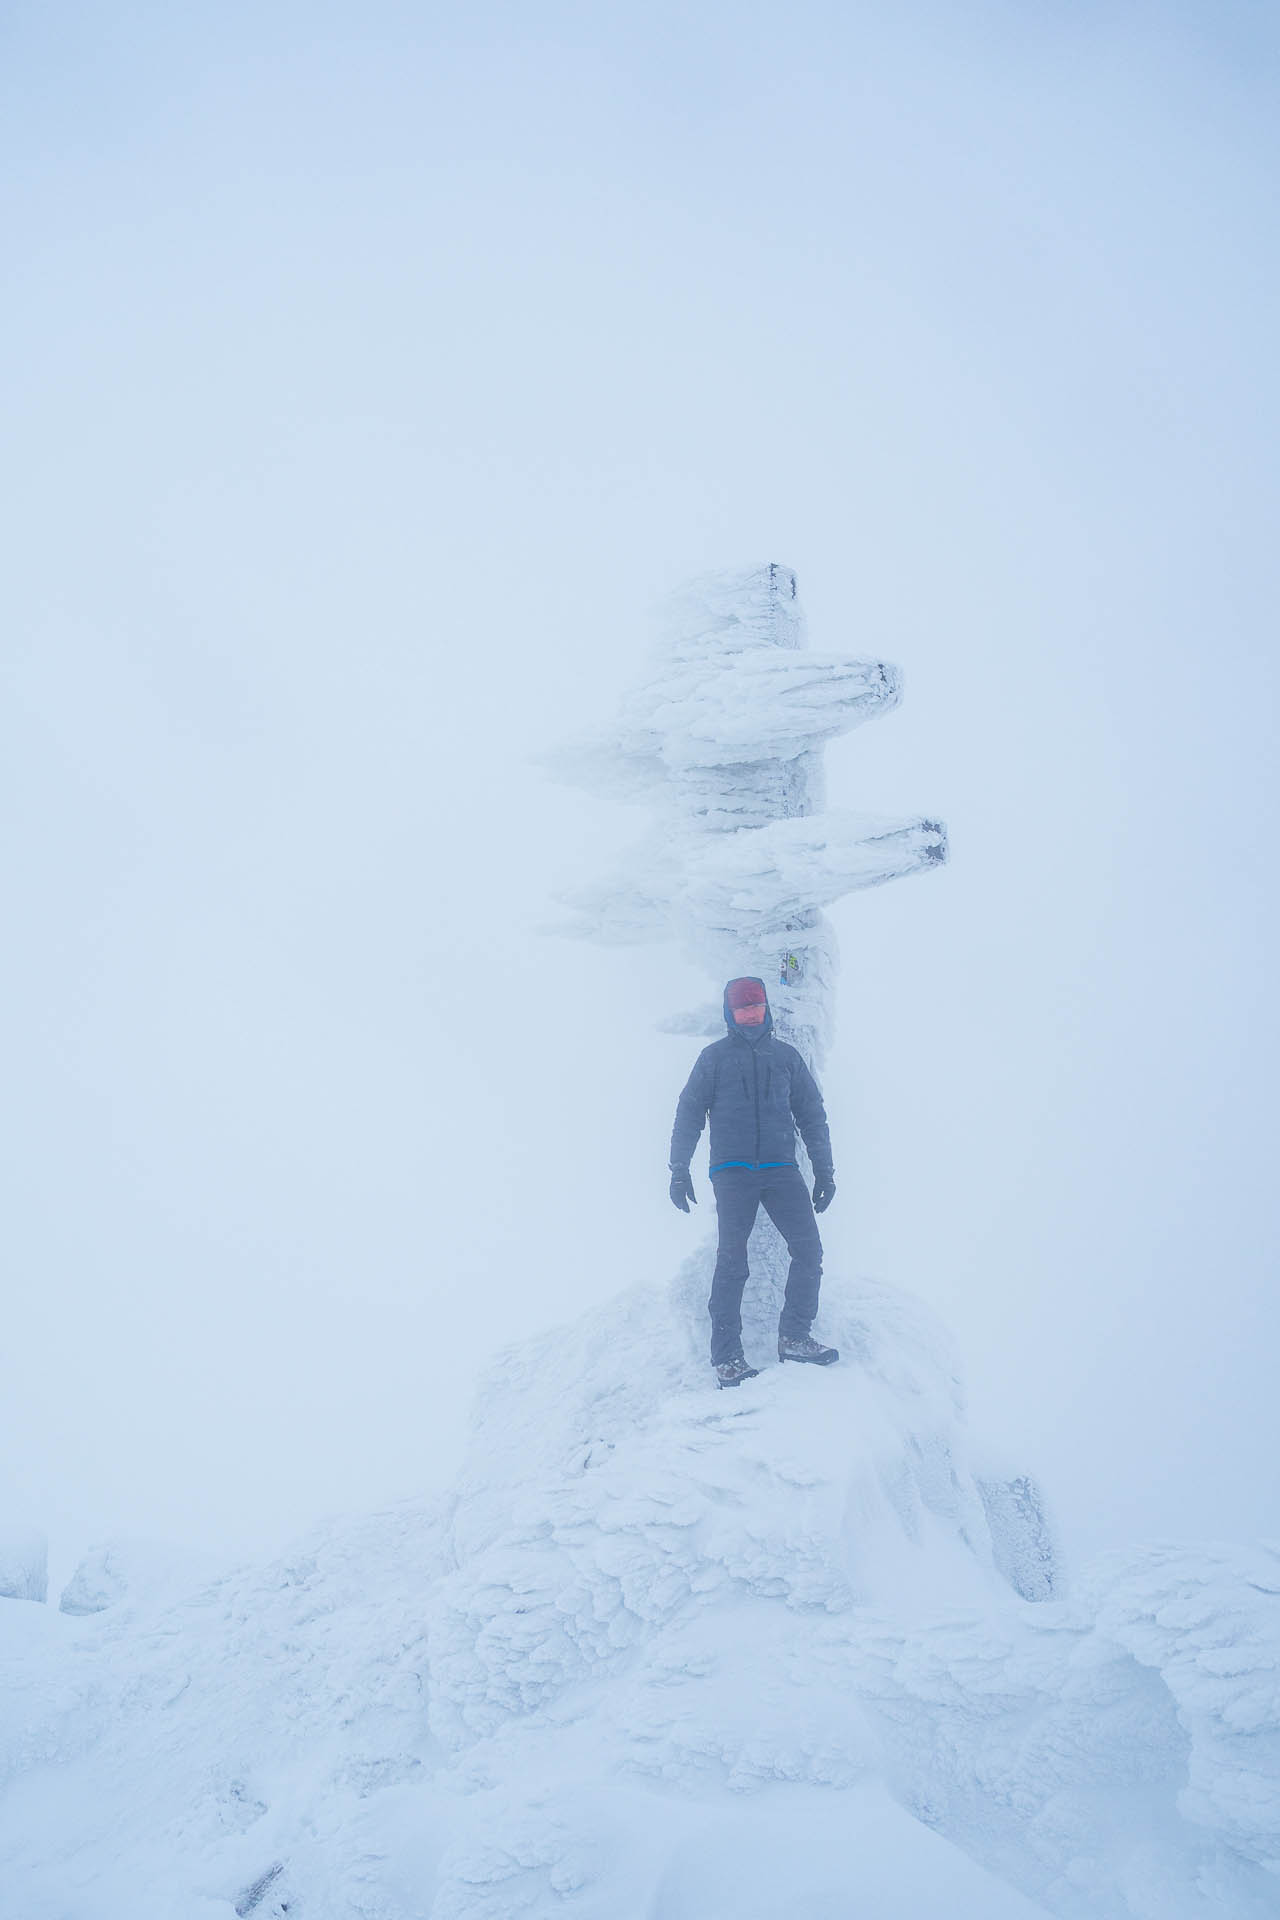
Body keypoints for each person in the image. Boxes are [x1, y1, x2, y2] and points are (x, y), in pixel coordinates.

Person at [668, 976, 839, 1387]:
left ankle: (795, 1337)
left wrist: (825, 1170)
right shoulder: (714, 1058)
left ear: (766, 1009)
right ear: (730, 1014)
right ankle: (727, 1359)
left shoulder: (786, 1058)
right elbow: (689, 1113)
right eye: (743, 1009)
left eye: (757, 1008)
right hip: (732, 1171)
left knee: (809, 1249)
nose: (751, 1015)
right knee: (732, 1262)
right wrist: (678, 1169)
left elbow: (812, 1115)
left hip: (781, 1169)